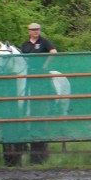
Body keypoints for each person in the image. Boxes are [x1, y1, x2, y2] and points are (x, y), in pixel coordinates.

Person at [20, 22, 58, 164]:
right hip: (30, 73)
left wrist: (45, 65)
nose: (36, 32)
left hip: (41, 73)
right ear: (29, 31)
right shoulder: (25, 45)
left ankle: (52, 103)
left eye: (37, 30)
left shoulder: (44, 42)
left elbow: (54, 52)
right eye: (33, 30)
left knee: (48, 85)